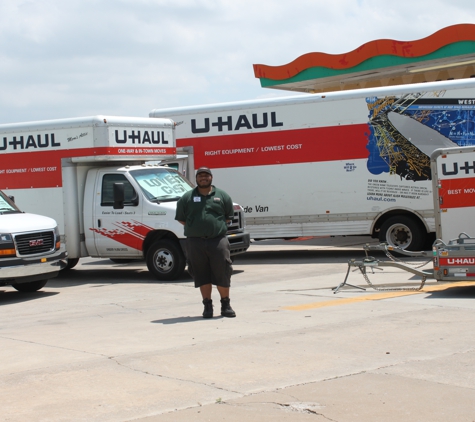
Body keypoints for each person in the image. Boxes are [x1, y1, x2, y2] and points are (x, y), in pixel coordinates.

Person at [175, 166, 236, 318]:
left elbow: (228, 216)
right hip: (195, 242)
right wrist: (198, 228)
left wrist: (213, 227)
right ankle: (207, 305)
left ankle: (225, 304)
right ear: (196, 179)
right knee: (201, 273)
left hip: (218, 240)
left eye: (206, 175)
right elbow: (182, 219)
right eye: (200, 176)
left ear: (211, 177)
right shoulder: (187, 197)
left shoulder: (222, 195)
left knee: (222, 271)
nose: (203, 178)